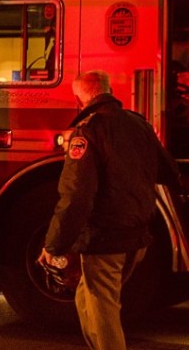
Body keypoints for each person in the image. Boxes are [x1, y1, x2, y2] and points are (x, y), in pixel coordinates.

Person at [38, 70, 180, 350]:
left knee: (103, 310)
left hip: (105, 239)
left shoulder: (87, 130)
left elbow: (75, 198)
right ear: (108, 89)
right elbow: (169, 172)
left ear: (79, 98)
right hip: (137, 237)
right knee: (85, 298)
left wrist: (53, 246)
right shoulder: (138, 124)